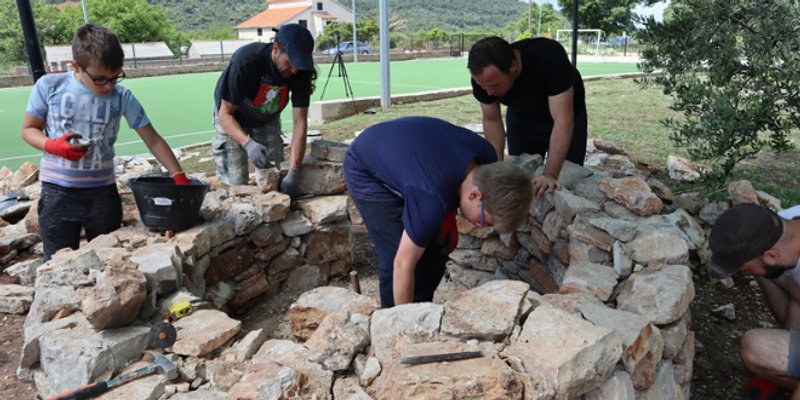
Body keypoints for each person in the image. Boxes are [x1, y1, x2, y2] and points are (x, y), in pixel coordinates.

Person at [21, 24, 189, 261]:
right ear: (76, 66)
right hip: (58, 194)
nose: (109, 86)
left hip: (102, 193)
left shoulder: (122, 97)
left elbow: (154, 140)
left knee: (108, 260)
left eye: (115, 77)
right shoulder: (50, 87)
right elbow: (29, 130)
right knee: (58, 262)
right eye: (100, 79)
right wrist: (53, 146)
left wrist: (179, 177)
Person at [343, 116, 533, 308]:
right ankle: (392, 320)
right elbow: (402, 264)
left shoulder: (487, 158)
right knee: (395, 252)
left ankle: (423, 308)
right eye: (485, 221)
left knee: (437, 249)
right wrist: (401, 323)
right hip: (366, 166)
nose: (481, 226)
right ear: (475, 196)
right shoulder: (431, 198)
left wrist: (449, 213)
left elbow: (448, 176)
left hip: (411, 159)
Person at [468, 36, 587, 198]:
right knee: (521, 177)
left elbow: (563, 119)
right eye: (483, 86)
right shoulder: (483, 78)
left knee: (568, 179)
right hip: (522, 114)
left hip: (565, 114)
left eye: (494, 85)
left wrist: (550, 174)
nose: (488, 92)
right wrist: (495, 170)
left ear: (513, 66)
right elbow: (492, 119)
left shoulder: (548, 56)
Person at [707, 203, 800, 399]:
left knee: (758, 346)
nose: (743, 275)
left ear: (773, 255)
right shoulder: (782, 226)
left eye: (744, 271)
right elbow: (797, 301)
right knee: (766, 275)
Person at [213, 23, 317, 197]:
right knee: (236, 184)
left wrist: (295, 171)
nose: (294, 70)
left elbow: (300, 122)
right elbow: (225, 114)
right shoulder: (246, 61)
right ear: (276, 48)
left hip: (266, 119)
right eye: (290, 63)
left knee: (273, 177)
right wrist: (248, 144)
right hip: (233, 117)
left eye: (299, 64)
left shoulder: (301, 72)